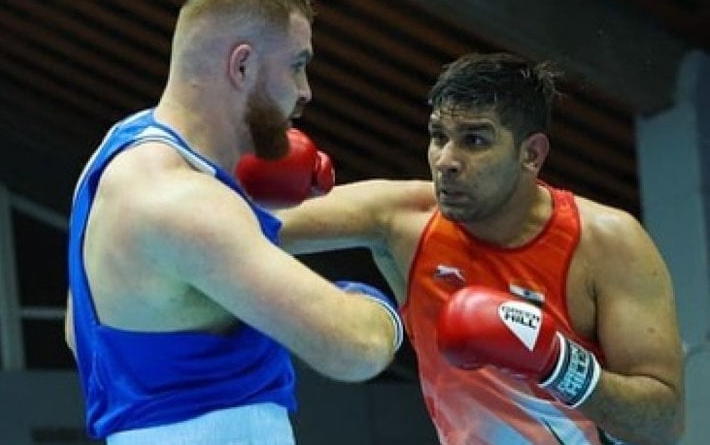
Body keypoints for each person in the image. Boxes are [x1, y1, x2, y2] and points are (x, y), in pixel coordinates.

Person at [277, 52, 685, 445]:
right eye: (439, 137)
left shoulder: (606, 243)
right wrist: (241, 167)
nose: (447, 160)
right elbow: (246, 225)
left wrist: (558, 364)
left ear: (531, 154)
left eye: (474, 140)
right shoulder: (402, 219)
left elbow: (663, 425)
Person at [63, 0, 403, 444]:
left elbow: (76, 329)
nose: (305, 91)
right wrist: (377, 305)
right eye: (297, 65)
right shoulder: (183, 203)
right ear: (241, 66)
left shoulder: (123, 151)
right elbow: (354, 350)